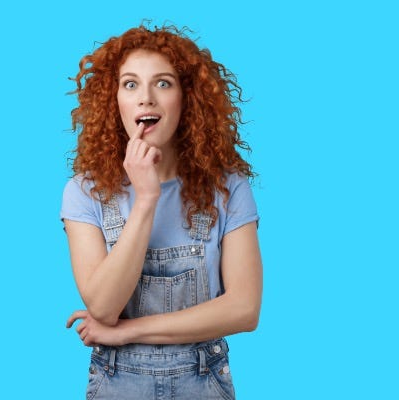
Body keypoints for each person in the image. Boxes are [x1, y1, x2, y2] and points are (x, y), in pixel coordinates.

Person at [61, 23, 262, 400]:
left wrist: (127, 331)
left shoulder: (229, 188)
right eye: (131, 84)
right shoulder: (83, 193)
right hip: (117, 383)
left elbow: (244, 309)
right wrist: (146, 198)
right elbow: (103, 307)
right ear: (113, 100)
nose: (146, 98)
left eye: (164, 83)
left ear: (188, 100)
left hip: (204, 381)